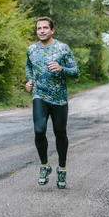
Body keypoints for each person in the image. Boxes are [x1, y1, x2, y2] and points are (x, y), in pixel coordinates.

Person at [25, 17, 79, 189]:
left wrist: (62, 69)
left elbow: (76, 72)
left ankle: (62, 169)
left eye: (45, 28)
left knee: (60, 132)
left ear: (52, 30)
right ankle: (44, 166)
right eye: (39, 28)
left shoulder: (62, 48)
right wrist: (29, 81)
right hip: (39, 96)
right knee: (39, 130)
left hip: (59, 99)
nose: (42, 31)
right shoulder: (31, 50)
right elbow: (29, 67)